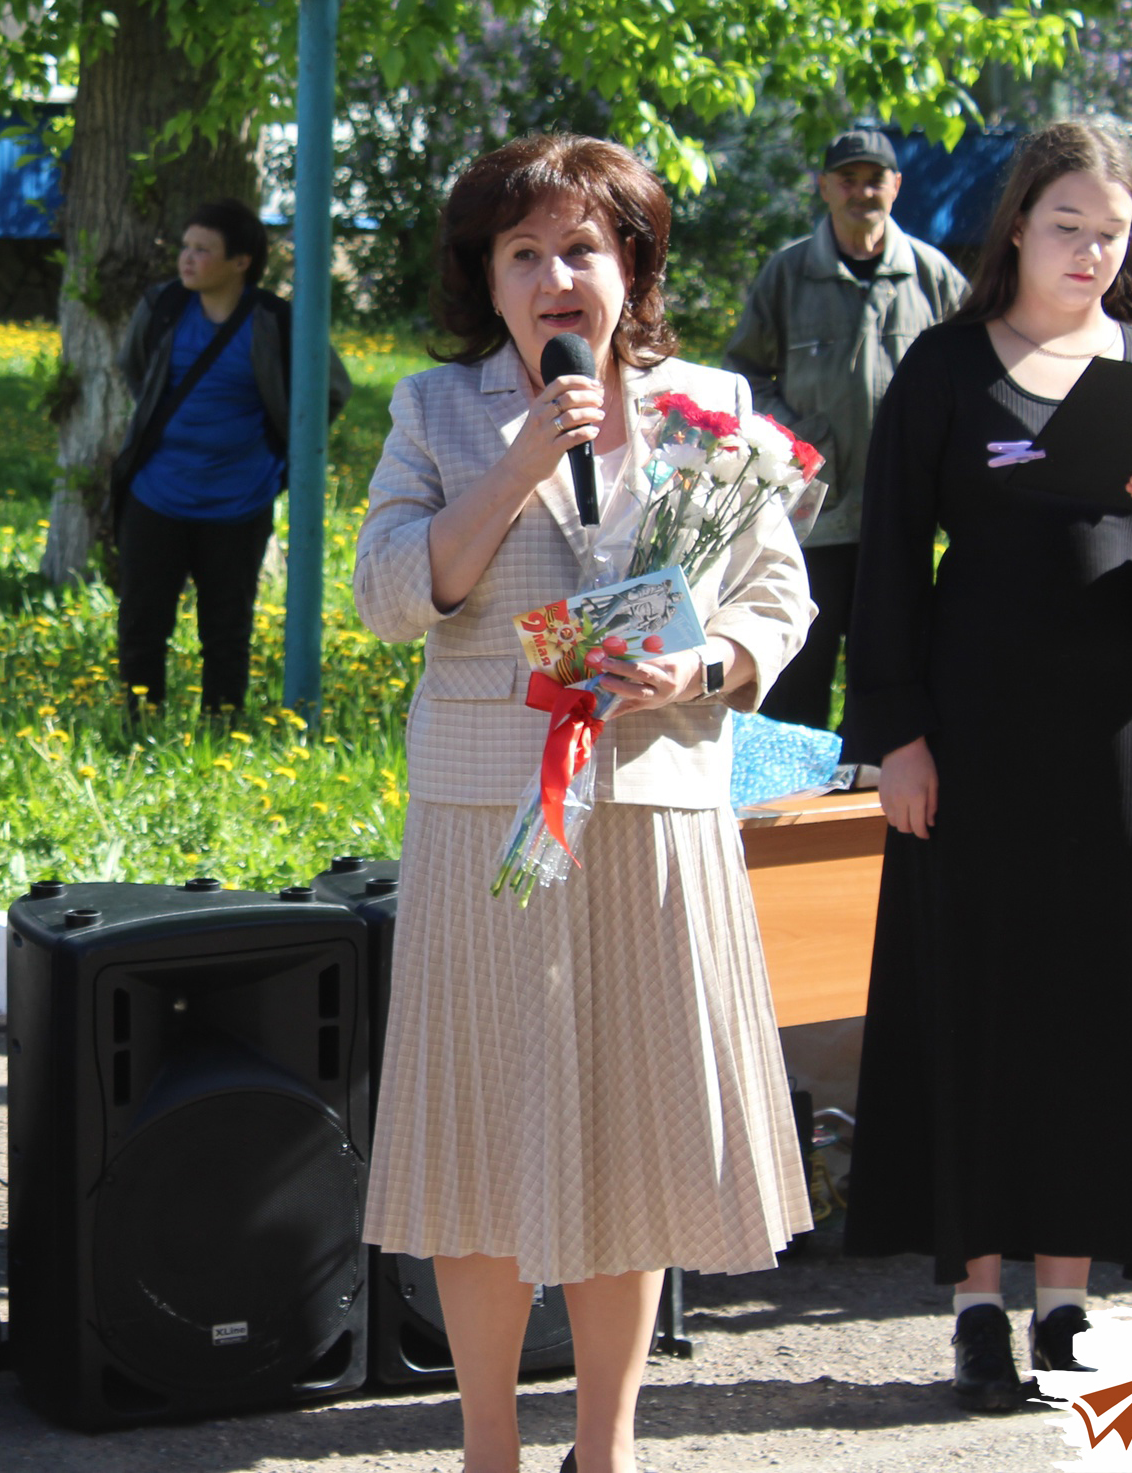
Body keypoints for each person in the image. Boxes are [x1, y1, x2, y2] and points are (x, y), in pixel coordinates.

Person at [352, 135, 814, 1473]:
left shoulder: (711, 409)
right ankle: (489, 1446)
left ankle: (603, 1448)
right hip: (490, 812)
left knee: (632, 1133)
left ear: (633, 267)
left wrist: (708, 662)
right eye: (525, 252)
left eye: (584, 249)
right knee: (484, 1133)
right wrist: (514, 466)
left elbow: (777, 596)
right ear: (486, 278)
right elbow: (390, 595)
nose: (558, 276)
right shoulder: (436, 413)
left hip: (653, 805)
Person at [842, 122, 1132, 1409]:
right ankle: (972, 1304)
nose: (1090, 250)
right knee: (978, 1001)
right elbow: (888, 562)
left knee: (1090, 1005)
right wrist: (894, 734)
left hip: (1113, 739)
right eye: (1068, 225)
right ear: (1017, 226)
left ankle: (1066, 1304)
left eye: (1112, 231)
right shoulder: (947, 370)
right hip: (973, 733)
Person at [724, 126, 967, 733]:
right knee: (795, 683)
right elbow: (742, 375)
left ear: (897, 186)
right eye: (848, 180)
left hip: (903, 519)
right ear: (825, 187)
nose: (862, 193)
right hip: (812, 524)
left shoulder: (933, 277)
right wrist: (798, 440)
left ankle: (874, 812)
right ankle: (789, 816)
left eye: (874, 180)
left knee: (887, 682)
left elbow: (975, 374)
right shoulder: (788, 274)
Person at [111, 197, 352, 717]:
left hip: (239, 501)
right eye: (185, 247)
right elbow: (136, 371)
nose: (187, 259)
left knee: (226, 629)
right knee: (141, 623)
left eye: (203, 250)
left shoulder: (275, 321)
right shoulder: (162, 307)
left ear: (241, 261)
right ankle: (135, 727)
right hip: (155, 493)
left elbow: (331, 389)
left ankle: (223, 728)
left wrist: (282, 452)